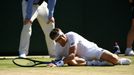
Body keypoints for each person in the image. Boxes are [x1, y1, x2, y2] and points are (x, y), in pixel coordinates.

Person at [47, 28, 132, 67]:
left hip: (92, 50)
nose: (63, 38)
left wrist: (58, 64)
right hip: (83, 59)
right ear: (56, 41)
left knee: (114, 59)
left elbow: (72, 54)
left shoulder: (71, 35)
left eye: (62, 35)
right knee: (70, 61)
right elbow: (58, 60)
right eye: (59, 38)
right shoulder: (58, 48)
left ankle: (118, 59)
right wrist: (54, 62)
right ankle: (96, 63)